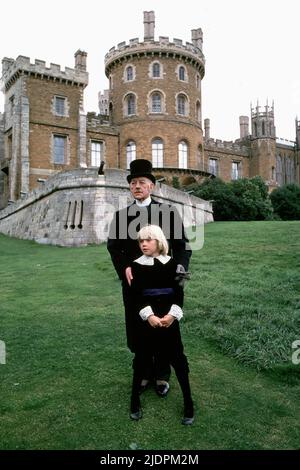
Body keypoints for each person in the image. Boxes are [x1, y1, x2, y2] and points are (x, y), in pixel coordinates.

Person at [107, 158, 191, 397]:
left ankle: (162, 374)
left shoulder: (168, 213)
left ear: (151, 186)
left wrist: (180, 270)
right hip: (135, 283)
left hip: (163, 282)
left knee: (163, 324)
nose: (137, 186)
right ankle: (143, 372)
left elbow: (183, 247)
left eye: (142, 182)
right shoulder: (122, 216)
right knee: (138, 325)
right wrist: (124, 268)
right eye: (133, 182)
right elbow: (114, 248)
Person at [129, 224, 194, 425]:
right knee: (141, 360)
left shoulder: (175, 265)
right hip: (147, 323)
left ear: (159, 241)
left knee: (179, 362)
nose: (144, 244)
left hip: (169, 322)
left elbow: (179, 293)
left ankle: (189, 403)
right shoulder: (136, 266)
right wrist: (149, 316)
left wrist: (172, 316)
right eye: (140, 241)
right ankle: (134, 400)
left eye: (148, 240)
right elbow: (135, 296)